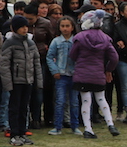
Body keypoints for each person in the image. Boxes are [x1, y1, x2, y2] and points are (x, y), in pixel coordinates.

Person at [70, 10, 121, 138]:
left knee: (86, 101)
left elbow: (72, 54)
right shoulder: (105, 38)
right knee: (101, 99)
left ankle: (88, 129)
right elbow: (114, 57)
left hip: (82, 73)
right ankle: (110, 123)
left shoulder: (80, 37)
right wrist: (108, 69)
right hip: (98, 74)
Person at [0, 15, 42, 146]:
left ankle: (23, 132)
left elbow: (36, 62)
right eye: (22, 27)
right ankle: (14, 133)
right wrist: (8, 83)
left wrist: (38, 80)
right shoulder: (9, 43)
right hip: (15, 81)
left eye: (26, 26)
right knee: (14, 107)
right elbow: (4, 64)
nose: (25, 29)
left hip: (28, 80)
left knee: (24, 107)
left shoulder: (30, 43)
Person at [46, 16, 80, 135]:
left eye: (67, 26)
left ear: (72, 27)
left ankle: (75, 126)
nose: (65, 29)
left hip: (74, 76)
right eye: (62, 26)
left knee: (74, 102)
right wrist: (54, 71)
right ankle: (58, 126)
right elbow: (49, 57)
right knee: (60, 101)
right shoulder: (56, 41)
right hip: (61, 76)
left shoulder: (76, 41)